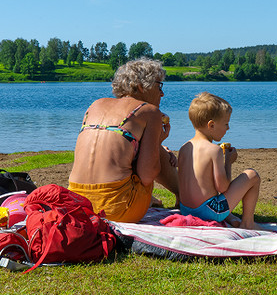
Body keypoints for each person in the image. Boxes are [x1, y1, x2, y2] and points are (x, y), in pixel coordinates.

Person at [68, 58, 179, 223]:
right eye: (159, 85)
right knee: (156, 151)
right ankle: (184, 197)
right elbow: (148, 176)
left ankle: (154, 200)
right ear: (141, 86)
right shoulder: (149, 111)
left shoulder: (95, 105)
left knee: (135, 145)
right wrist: (156, 144)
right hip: (117, 209)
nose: (162, 93)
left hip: (77, 203)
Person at [177, 92, 261, 229]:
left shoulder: (184, 148)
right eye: (226, 124)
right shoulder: (213, 150)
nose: (228, 128)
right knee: (252, 175)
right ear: (211, 125)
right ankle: (248, 223)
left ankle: (232, 219)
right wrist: (228, 162)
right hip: (210, 211)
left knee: (210, 197)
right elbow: (222, 187)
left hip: (187, 210)